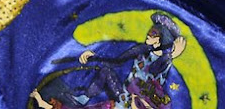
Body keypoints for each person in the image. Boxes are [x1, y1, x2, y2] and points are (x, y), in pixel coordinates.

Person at [30, 13, 186, 109]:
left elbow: (155, 70)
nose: (148, 35)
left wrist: (171, 56)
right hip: (123, 96)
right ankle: (83, 98)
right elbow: (117, 61)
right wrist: (95, 57)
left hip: (135, 104)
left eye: (153, 33)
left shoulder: (164, 62)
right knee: (105, 72)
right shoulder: (141, 50)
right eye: (150, 31)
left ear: (160, 39)